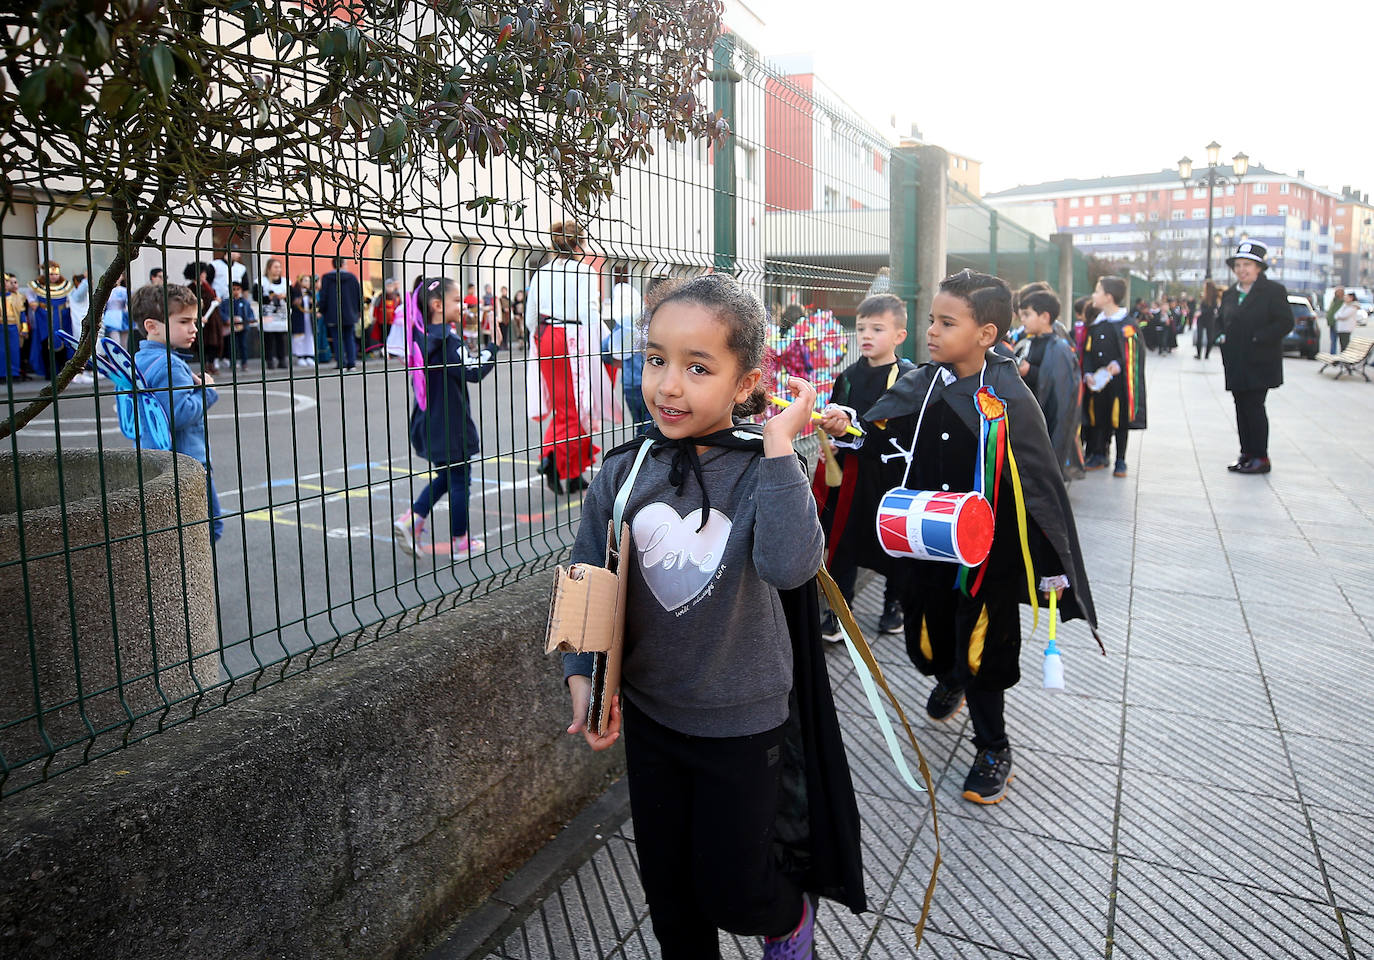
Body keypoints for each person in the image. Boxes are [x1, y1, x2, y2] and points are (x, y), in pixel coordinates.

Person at [562, 273, 863, 957]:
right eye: (657, 359)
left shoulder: (765, 469)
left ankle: (788, 920)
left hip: (743, 720)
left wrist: (783, 444)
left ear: (744, 383)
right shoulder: (624, 472)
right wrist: (585, 676)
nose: (669, 385)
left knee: (735, 888)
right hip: (652, 714)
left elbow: (793, 566)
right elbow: (588, 576)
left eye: (699, 367)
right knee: (669, 892)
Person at [822, 269, 1100, 806]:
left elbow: (1038, 484)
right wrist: (847, 425)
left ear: (986, 334)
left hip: (985, 555)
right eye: (932, 320)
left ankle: (993, 745)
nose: (932, 331)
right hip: (928, 543)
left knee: (984, 648)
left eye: (947, 323)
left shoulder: (1007, 397)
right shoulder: (920, 382)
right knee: (929, 635)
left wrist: (1049, 559)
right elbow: (877, 430)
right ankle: (949, 675)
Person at [814, 293, 915, 641]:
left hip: (892, 477)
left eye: (877, 328)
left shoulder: (908, 377)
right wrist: (830, 444)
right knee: (843, 543)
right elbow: (834, 418)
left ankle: (894, 605)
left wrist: (854, 427)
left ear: (900, 335)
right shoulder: (847, 376)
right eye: (861, 328)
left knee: (895, 540)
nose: (867, 335)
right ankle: (841, 613)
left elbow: (902, 430)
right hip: (852, 476)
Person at [392, 277, 499, 559]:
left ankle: (413, 518)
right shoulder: (448, 340)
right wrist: (494, 347)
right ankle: (461, 542)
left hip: (431, 420)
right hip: (452, 425)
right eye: (455, 300)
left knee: (448, 474)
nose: (461, 304)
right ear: (438, 305)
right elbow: (474, 370)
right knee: (461, 479)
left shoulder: (422, 335)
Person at [524, 220, 618, 494]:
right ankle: (551, 457)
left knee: (564, 404)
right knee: (582, 405)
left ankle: (573, 470)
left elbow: (531, 316)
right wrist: (604, 343)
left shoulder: (541, 273)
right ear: (578, 243)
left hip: (546, 337)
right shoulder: (584, 271)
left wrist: (538, 339)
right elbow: (590, 313)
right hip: (575, 340)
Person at [131, 283, 223, 543]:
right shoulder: (171, 365)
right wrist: (206, 390)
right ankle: (194, 581)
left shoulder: (138, 360)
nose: (194, 328)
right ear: (152, 326)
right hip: (188, 462)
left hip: (155, 457)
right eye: (184, 321)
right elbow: (180, 413)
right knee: (208, 527)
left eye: (194, 320)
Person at [1217, 240, 1293, 475]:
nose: (1242, 269)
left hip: (1260, 362)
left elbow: (1285, 322)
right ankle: (1246, 453)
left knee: (1255, 407)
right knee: (1241, 407)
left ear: (1258, 268)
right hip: (1236, 361)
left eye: (1247, 265)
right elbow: (1220, 321)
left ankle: (1261, 456)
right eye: (1238, 265)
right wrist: (1219, 336)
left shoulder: (1273, 291)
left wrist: (1259, 337)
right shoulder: (1230, 294)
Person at [1015, 289, 1084, 481]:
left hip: (1046, 420)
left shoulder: (1059, 348)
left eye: (1027, 315)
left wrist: (1030, 372)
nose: (1023, 320)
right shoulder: (1028, 342)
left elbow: (1059, 391)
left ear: (1045, 317)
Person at [1082, 275, 1146, 478]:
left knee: (1119, 420)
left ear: (1108, 297)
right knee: (1098, 417)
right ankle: (1099, 454)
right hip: (1099, 384)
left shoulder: (1127, 324)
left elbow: (1134, 353)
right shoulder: (1096, 325)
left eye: (1097, 291)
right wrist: (1089, 373)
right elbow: (1089, 353)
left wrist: (1119, 364)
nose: (1094, 295)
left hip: (1119, 384)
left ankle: (1121, 459)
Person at [601, 277, 651, 430]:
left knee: (641, 427)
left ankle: (640, 452)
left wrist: (624, 363)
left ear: (646, 298)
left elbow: (605, 349)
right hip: (653, 384)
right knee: (654, 428)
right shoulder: (666, 321)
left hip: (630, 383)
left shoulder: (627, 320)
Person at [317, 257, 361, 370]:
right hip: (350, 313)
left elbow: (324, 295)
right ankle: (352, 363)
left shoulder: (327, 278)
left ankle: (341, 363)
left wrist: (321, 309)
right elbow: (358, 295)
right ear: (343, 264)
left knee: (337, 339)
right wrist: (358, 311)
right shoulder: (352, 277)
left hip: (333, 313)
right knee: (349, 337)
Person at [182, 261, 224, 373]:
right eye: (202, 272)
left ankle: (211, 364)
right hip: (200, 319)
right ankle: (204, 365)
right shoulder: (190, 288)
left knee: (213, 343)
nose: (204, 274)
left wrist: (216, 300)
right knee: (202, 343)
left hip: (213, 319)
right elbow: (190, 304)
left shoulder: (208, 286)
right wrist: (198, 317)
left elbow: (213, 298)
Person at [257, 258, 291, 370]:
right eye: (275, 267)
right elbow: (257, 297)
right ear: (269, 268)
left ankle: (282, 359)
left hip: (281, 315)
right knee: (268, 339)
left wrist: (285, 297)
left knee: (281, 339)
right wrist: (268, 297)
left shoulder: (286, 282)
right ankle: (269, 360)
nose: (278, 270)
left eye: (279, 267)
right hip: (268, 314)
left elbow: (292, 296)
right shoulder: (261, 281)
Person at [3, 272, 29, 382]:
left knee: (14, 350)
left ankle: (14, 373)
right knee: (1, 351)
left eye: (6, 282)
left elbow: (22, 314)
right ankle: (2, 374)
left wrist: (24, 328)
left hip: (13, 326)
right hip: (0, 327)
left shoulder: (17, 298)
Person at [227, 280, 257, 372]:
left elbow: (250, 313)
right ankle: (233, 363)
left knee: (243, 345)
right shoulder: (227, 302)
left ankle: (244, 363)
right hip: (232, 327)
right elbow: (223, 313)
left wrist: (251, 319)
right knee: (233, 346)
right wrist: (228, 319)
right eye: (233, 289)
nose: (236, 291)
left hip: (243, 327)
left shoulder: (245, 302)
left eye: (238, 289)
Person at [289, 273, 316, 368]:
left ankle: (309, 355)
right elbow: (292, 304)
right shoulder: (295, 292)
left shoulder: (310, 293)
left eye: (308, 281)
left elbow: (314, 305)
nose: (307, 283)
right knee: (299, 337)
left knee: (309, 336)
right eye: (305, 280)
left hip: (309, 318)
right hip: (299, 317)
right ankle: (300, 356)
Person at [101, 274, 130, 350]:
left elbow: (129, 304)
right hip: (111, 317)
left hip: (122, 316)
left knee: (124, 344)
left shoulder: (124, 290)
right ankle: (114, 361)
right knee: (115, 343)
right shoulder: (106, 291)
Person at [1196, 280, 1220, 359]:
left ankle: (1206, 355)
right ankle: (1199, 354)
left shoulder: (1214, 298)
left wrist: (1201, 312)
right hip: (1202, 319)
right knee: (1199, 337)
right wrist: (1200, 311)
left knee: (1210, 338)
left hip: (1209, 319)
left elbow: (1212, 309)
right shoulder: (1204, 296)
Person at [1325, 286, 1345, 353]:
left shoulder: (1343, 302)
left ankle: (1339, 355)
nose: (1335, 293)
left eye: (1337, 292)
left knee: (1341, 341)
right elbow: (1331, 310)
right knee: (1333, 340)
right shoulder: (1334, 300)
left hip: (1339, 323)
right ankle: (1332, 354)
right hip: (1332, 323)